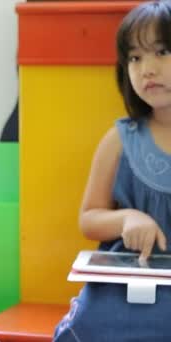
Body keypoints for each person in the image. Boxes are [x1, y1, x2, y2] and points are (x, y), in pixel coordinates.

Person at [54, 1, 171, 340]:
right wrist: (127, 218)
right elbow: (88, 218)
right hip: (126, 281)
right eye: (134, 58)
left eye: (161, 52)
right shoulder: (120, 139)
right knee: (90, 325)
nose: (146, 68)